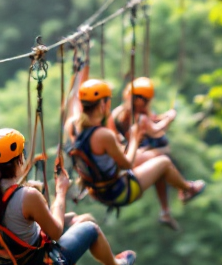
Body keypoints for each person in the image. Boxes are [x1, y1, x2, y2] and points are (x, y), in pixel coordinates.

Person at [0, 124, 137, 265]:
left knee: (76, 220)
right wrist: (61, 190)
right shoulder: (28, 196)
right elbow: (56, 232)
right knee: (90, 226)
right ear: (20, 159)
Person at [65, 78, 205, 228]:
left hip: (96, 190)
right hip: (119, 191)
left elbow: (74, 101)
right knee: (163, 161)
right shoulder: (103, 135)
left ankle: (168, 207)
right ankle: (187, 188)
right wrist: (134, 139)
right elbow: (127, 164)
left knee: (151, 156)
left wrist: (80, 72)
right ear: (103, 104)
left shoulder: (73, 126)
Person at [112, 77, 185, 227]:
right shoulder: (141, 117)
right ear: (143, 100)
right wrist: (169, 119)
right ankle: (184, 189)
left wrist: (163, 116)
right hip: (134, 157)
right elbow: (156, 131)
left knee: (161, 164)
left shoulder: (118, 113)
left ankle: (167, 209)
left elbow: (153, 120)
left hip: (128, 153)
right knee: (164, 160)